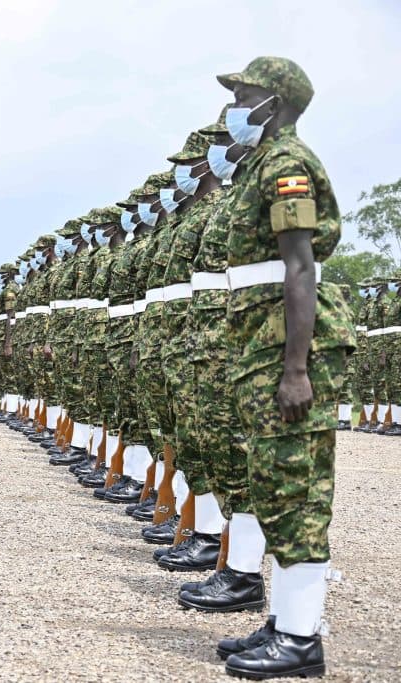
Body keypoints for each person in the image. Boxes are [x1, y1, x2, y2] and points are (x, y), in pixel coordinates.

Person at [214, 56, 355, 680]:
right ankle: (286, 621)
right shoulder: (261, 165)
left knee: (295, 491)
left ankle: (301, 640)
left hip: (288, 349)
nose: (234, 102)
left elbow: (299, 267)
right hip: (264, 345)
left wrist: (296, 367)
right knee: (272, 483)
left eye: (242, 91)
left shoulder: (287, 164)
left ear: (273, 100)